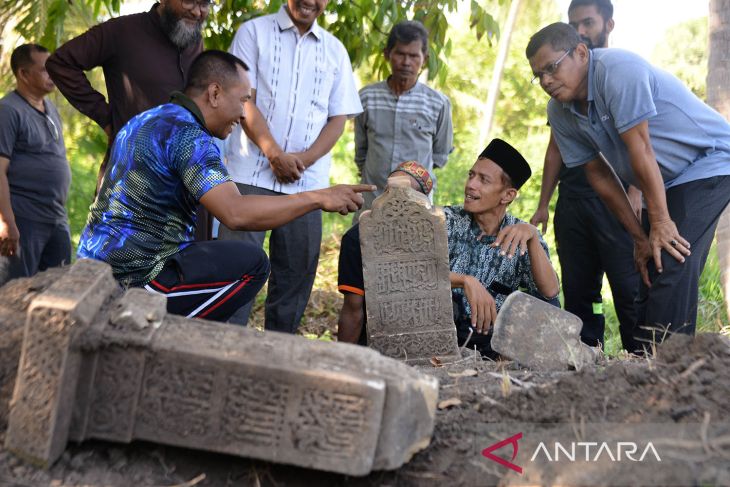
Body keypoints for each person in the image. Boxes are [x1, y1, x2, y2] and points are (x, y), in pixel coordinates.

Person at [77, 50, 373, 323]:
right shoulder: (189, 136)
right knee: (254, 263)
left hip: (95, 262)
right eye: (243, 99)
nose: (245, 113)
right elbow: (236, 213)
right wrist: (318, 197)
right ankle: (165, 321)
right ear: (215, 93)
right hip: (135, 275)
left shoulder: (145, 119)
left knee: (212, 252)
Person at [526, 23, 730, 350]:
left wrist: (661, 223)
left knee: (671, 257)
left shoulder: (618, 71)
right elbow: (600, 177)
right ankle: (649, 365)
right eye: (538, 75)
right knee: (649, 264)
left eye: (551, 68)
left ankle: (667, 369)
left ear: (580, 53)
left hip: (707, 161)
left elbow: (641, 150)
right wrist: (639, 237)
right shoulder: (560, 112)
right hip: (665, 179)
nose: (546, 81)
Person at [220, 0, 362, 333]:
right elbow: (243, 100)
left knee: (294, 280)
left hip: (308, 184)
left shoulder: (335, 50)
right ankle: (222, 351)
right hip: (250, 174)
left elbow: (338, 118)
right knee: (234, 273)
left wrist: (303, 161)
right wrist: (273, 153)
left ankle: (277, 360)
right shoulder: (253, 33)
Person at [529, 0, 639, 350]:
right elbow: (555, 148)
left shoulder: (620, 74)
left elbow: (640, 144)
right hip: (574, 197)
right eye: (574, 23)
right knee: (578, 287)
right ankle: (584, 354)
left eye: (588, 22)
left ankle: (643, 354)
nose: (582, 30)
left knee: (628, 283)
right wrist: (544, 203)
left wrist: (636, 190)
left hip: (618, 198)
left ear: (608, 25)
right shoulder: (560, 89)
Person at [46, 0, 209, 191]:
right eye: (189, 2)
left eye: (205, 4)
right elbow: (60, 63)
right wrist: (108, 119)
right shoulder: (121, 31)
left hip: (184, 182)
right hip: (130, 181)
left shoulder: (195, 41)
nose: (197, 12)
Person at [446, 139, 560, 358]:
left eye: (483, 180)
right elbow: (415, 275)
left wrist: (533, 238)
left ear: (507, 195)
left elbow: (550, 293)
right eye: (471, 175)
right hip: (445, 336)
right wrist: (465, 280)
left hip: (497, 343)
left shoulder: (521, 234)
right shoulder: (446, 221)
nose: (471, 185)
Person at [355, 20, 453, 211]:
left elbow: (440, 155)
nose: (406, 62)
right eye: (400, 53)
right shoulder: (367, 97)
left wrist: (412, 180)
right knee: (361, 240)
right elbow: (361, 152)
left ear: (424, 59)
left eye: (413, 56)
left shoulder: (438, 103)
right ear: (387, 54)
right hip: (371, 202)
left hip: (416, 207)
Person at [337, 161, 435, 344]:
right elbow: (353, 311)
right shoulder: (356, 240)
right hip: (374, 344)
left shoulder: (433, 237)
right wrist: (342, 362)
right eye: (388, 191)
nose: (393, 201)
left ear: (420, 204)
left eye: (402, 194)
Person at [0, 44, 71, 285]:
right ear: (23, 74)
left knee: (57, 287)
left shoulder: (50, 108)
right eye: (45, 70)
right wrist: (7, 223)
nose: (52, 75)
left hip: (55, 216)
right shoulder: (8, 111)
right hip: (24, 218)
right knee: (14, 290)